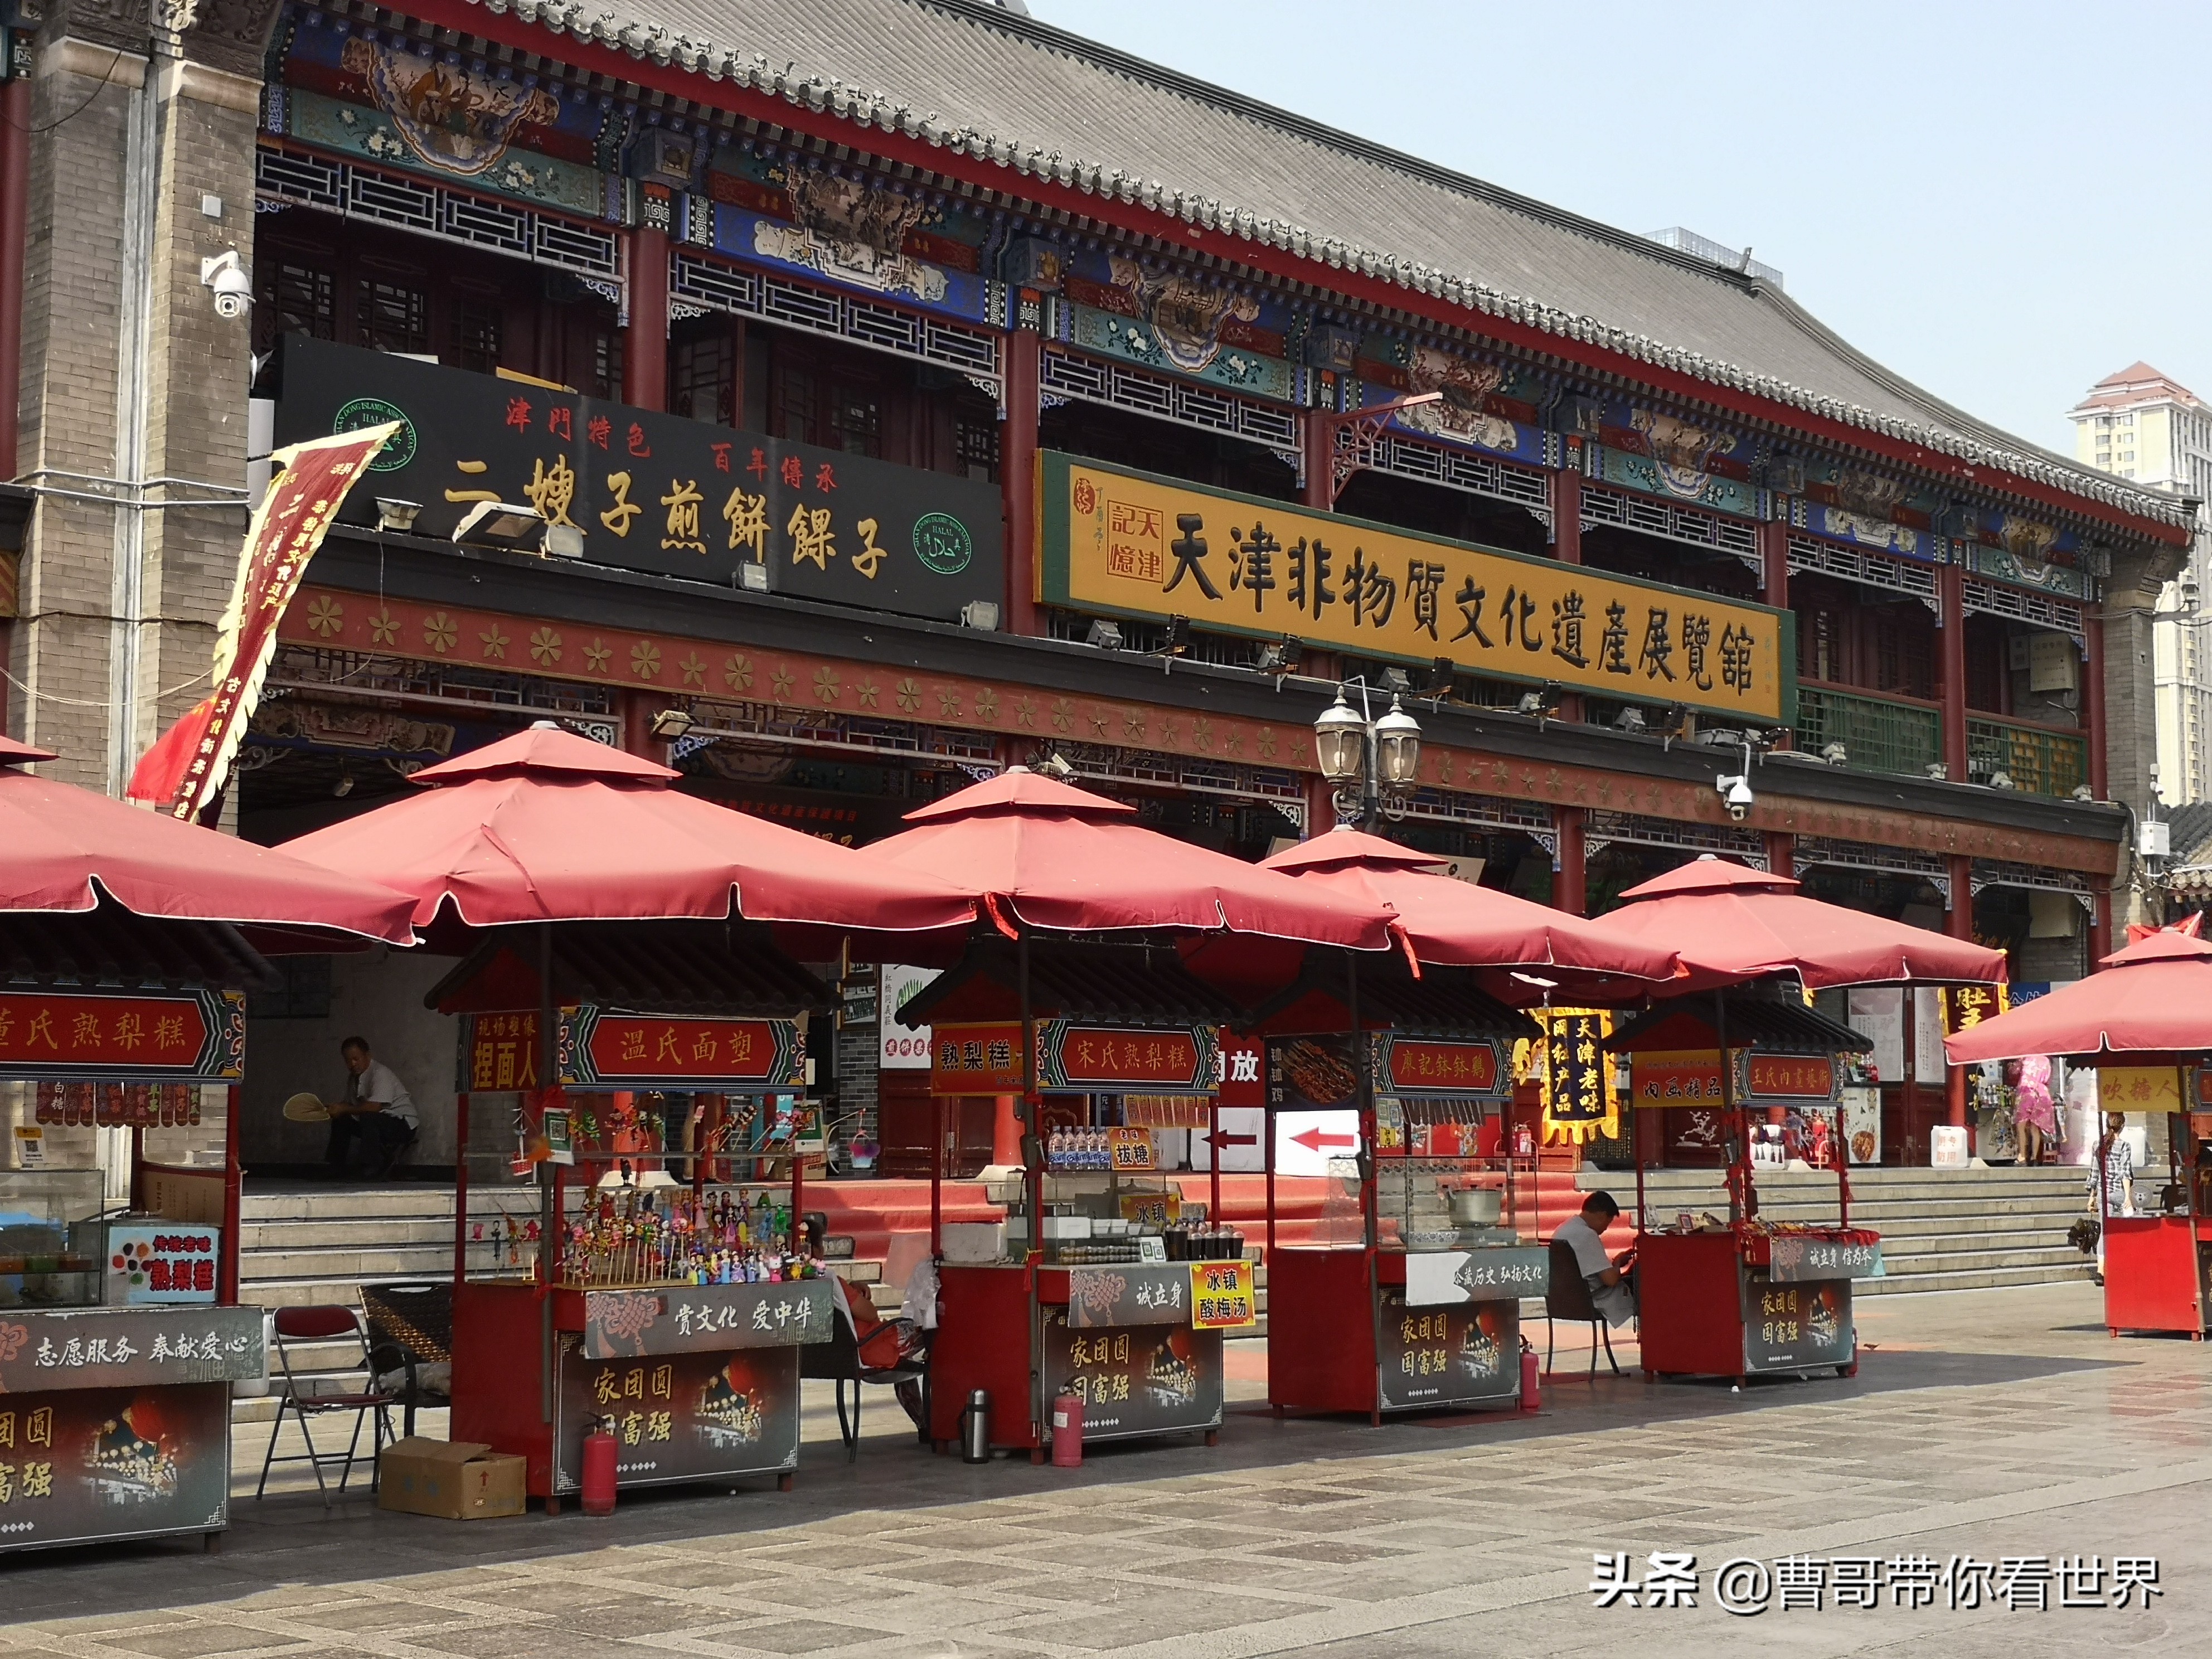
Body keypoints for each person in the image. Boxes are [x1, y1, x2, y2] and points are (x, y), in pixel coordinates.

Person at [325, 1036, 419, 1179]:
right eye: (348, 1061)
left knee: (369, 1116)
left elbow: (374, 1107)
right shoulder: (354, 1078)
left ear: (368, 1056)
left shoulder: (380, 1074)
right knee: (342, 1120)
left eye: (356, 1059)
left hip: (403, 1125)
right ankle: (335, 1166)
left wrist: (344, 1109)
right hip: (377, 1122)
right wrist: (334, 1109)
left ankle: (372, 1166)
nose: (352, 1064)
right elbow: (350, 1105)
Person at [1555, 1191, 1636, 1327]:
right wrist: (1617, 1263)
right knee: (1640, 1283)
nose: (1605, 1229)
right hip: (1588, 1299)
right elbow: (1611, 1280)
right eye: (1607, 1223)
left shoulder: (1564, 1228)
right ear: (1602, 1216)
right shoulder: (1587, 1235)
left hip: (1562, 1297)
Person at [2090, 1111, 2136, 1284]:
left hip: (2103, 1194)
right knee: (2125, 1229)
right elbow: (2125, 1172)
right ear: (2122, 1126)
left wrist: (2091, 1197)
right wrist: (2128, 1198)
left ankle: (2101, 1271)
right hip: (2118, 1192)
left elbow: (2094, 1172)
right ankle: (2123, 1266)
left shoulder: (2098, 1145)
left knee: (2105, 1231)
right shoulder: (2124, 1145)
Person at [2012, 1055, 2056, 1166]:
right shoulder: (2046, 1060)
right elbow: (2048, 1079)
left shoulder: (2025, 1058)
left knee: (2021, 1126)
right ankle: (2035, 1158)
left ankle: (2022, 1156)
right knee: (2035, 1127)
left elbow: (2014, 1072)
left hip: (2027, 1091)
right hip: (2042, 1093)